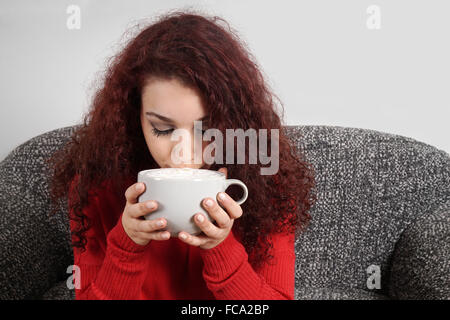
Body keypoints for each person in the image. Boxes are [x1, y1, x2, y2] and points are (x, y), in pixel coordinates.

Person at [47, 10, 316, 300]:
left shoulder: (268, 184)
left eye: (207, 130)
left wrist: (220, 247)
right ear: (133, 117)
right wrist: (127, 243)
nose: (183, 154)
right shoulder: (95, 186)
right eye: (162, 129)